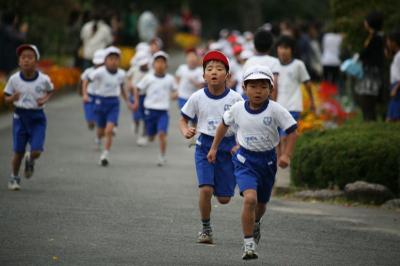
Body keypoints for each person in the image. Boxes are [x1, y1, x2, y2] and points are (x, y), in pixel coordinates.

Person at [207, 65, 297, 260]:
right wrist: (214, 147)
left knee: (261, 204)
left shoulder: (275, 110)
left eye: (263, 87)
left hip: (267, 162)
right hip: (245, 159)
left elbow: (292, 130)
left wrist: (286, 155)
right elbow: (224, 124)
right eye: (253, 86)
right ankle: (249, 244)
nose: (258, 91)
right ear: (244, 88)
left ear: (270, 90)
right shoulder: (237, 108)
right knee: (250, 199)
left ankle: (256, 223)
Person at [179, 50, 243, 244]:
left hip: (229, 147)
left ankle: (219, 184)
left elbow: (245, 124)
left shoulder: (236, 99)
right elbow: (183, 119)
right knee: (205, 190)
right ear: (203, 75)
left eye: (219, 68)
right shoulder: (197, 97)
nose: (214, 72)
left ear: (228, 75)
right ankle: (206, 228)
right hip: (204, 145)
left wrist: (240, 144)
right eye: (209, 69)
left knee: (224, 198)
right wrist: (185, 130)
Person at [4, 44, 54, 190]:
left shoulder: (43, 79)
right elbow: (6, 98)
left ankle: (31, 159)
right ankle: (14, 177)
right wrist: (13, 97)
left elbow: (50, 90)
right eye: (23, 57)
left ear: (36, 61)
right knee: (18, 151)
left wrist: (45, 99)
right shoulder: (14, 79)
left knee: (37, 151)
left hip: (37, 117)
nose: (26, 60)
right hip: (20, 116)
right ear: (19, 61)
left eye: (30, 57)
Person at [89, 46, 131, 166]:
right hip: (100, 102)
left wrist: (128, 101)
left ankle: (105, 154)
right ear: (105, 60)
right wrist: (86, 94)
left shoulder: (121, 74)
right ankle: (98, 138)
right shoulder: (100, 71)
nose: (113, 61)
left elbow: (122, 89)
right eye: (110, 59)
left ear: (119, 61)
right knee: (101, 130)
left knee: (109, 130)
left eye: (116, 59)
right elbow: (87, 79)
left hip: (114, 103)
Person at [135, 51, 177, 166]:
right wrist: (137, 102)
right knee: (151, 136)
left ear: (166, 65)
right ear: (153, 64)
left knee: (162, 134)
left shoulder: (170, 79)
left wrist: (174, 95)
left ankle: (162, 156)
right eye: (157, 62)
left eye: (162, 62)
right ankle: (148, 135)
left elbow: (175, 91)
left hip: (163, 111)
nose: (160, 64)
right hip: (150, 111)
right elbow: (137, 89)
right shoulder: (148, 78)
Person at [275, 35, 315, 154]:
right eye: (281, 47)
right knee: (278, 136)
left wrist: (312, 101)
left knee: (286, 134)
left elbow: (307, 84)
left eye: (286, 48)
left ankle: (285, 158)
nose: (283, 51)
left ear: (292, 50)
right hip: (278, 106)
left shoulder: (298, 65)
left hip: (294, 105)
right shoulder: (274, 65)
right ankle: (282, 159)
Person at [355, 11, 385, 121]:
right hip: (370, 72)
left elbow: (367, 54)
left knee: (367, 99)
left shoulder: (376, 38)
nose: (364, 22)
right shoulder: (374, 36)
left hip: (371, 75)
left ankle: (370, 122)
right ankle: (370, 122)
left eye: (366, 20)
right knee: (366, 100)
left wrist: (359, 56)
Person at [243, 29, 280, 99]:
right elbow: (275, 83)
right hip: (267, 99)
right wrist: (274, 102)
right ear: (271, 45)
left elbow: (244, 83)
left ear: (254, 44)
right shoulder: (274, 61)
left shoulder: (248, 61)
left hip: (250, 100)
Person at [126, 51, 150, 145]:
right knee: (136, 114)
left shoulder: (151, 71)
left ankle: (143, 135)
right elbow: (128, 78)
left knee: (145, 116)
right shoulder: (134, 69)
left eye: (146, 62)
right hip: (134, 95)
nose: (144, 64)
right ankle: (136, 123)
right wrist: (130, 85)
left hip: (146, 96)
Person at [80, 49, 105, 139]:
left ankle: (99, 136)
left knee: (100, 120)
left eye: (101, 63)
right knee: (91, 120)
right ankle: (91, 123)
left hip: (101, 97)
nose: (99, 65)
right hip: (90, 96)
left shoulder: (106, 72)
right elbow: (83, 82)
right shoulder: (88, 71)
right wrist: (84, 94)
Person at [386, 30, 400, 121]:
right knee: (391, 118)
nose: (387, 43)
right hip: (395, 87)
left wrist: (396, 89)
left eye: (388, 41)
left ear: (394, 42)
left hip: (398, 88)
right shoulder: (397, 56)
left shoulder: (399, 56)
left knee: (393, 118)